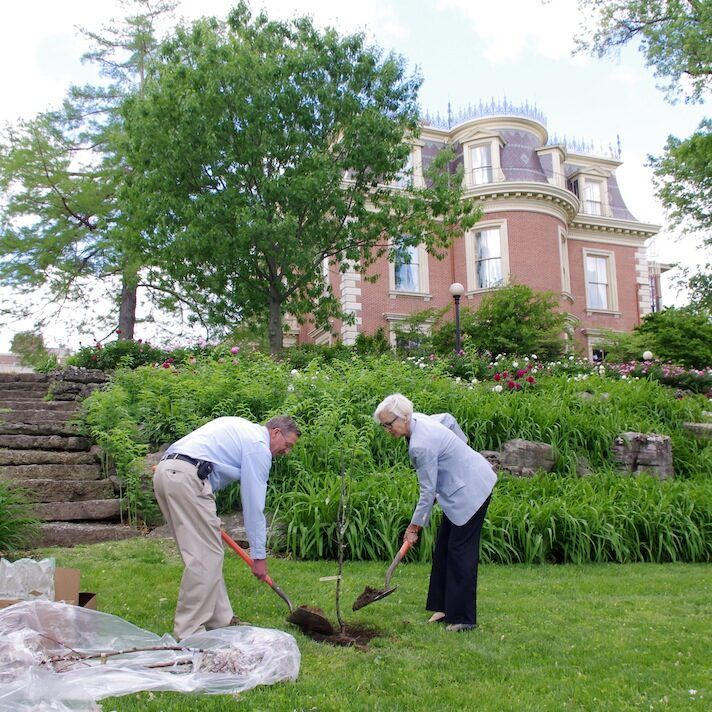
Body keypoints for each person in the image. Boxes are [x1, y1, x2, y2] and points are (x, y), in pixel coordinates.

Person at [153, 415, 301, 640]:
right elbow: (253, 506)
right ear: (276, 433)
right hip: (187, 478)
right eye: (287, 445)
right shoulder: (258, 447)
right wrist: (259, 556)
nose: (286, 452)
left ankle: (221, 620)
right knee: (205, 557)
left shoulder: (242, 428)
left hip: (168, 472)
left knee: (207, 553)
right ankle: (189, 632)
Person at [374, 394, 496, 632]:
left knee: (460, 551)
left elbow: (427, 492)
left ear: (404, 417)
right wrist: (460, 450)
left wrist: (414, 527)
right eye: (384, 425)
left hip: (472, 491)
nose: (387, 429)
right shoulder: (419, 420)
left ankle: (463, 618)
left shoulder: (420, 446)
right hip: (462, 487)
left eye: (389, 424)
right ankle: (443, 608)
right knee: (444, 547)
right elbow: (448, 420)